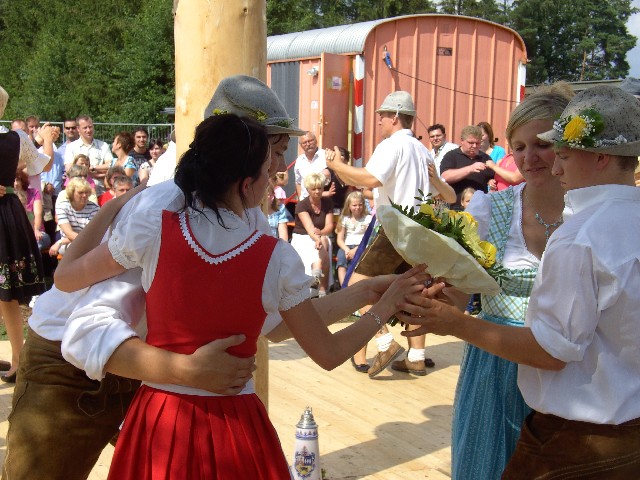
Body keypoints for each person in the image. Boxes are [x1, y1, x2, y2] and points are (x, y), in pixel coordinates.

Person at [54, 113, 428, 479]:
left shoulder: (154, 229)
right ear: (246, 184)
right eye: (267, 170)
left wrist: (114, 207)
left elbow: (66, 277)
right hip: (232, 423)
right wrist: (382, 309)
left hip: (159, 417)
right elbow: (327, 353)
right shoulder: (275, 258)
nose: (272, 178)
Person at [398, 84, 640, 479]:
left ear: (592, 154)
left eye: (549, 146)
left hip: (573, 401)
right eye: (519, 147)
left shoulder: (581, 233)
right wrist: (434, 300)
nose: (534, 159)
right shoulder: (490, 208)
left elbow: (553, 350)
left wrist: (457, 324)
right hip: (499, 372)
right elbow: (460, 291)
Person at [326, 90, 432, 377]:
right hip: (420, 227)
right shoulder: (422, 150)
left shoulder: (391, 145)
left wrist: (337, 165)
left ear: (395, 117)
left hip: (394, 225)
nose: (380, 120)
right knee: (413, 291)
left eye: (383, 115)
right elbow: (436, 191)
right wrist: (341, 170)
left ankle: (385, 343)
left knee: (358, 287)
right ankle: (417, 357)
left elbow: (371, 179)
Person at [0, 85, 53, 382]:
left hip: (5, 215)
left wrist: (47, 142)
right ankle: (17, 358)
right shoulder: (17, 138)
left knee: (5, 291)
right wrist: (46, 141)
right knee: (4, 292)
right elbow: (41, 163)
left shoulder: (16, 138)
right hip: (7, 212)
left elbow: (40, 165)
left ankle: (19, 359)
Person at [291, 172, 335, 297]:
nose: (317, 191)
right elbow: (309, 228)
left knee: (324, 241)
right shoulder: (301, 205)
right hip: (302, 236)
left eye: (320, 188)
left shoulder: (327, 202)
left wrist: (320, 234)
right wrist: (317, 238)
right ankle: (322, 289)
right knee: (322, 244)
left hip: (320, 234)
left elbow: (329, 226)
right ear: (308, 189)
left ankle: (316, 272)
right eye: (314, 189)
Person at [441, 125, 496, 209]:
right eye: (471, 143)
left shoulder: (485, 158)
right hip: (455, 209)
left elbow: (493, 179)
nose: (474, 146)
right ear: (462, 141)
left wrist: (491, 182)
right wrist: (470, 168)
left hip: (479, 209)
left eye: (477, 143)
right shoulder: (451, 156)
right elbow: (445, 177)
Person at [63, 115, 114, 195]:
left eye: (90, 127)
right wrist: (100, 173)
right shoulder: (71, 147)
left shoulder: (104, 146)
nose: (88, 130)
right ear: (78, 129)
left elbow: (111, 166)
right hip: (79, 193)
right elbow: (70, 170)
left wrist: (93, 168)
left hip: (101, 192)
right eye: (85, 128)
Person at [50, 177, 99, 257]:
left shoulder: (94, 208)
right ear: (72, 193)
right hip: (69, 244)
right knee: (76, 249)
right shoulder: (62, 207)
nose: (84, 195)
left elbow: (90, 234)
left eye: (86, 192)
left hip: (87, 243)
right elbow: (69, 233)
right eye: (80, 192)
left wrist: (60, 242)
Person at [335, 190, 372, 289]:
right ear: (349, 206)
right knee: (341, 260)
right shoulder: (344, 219)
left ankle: (356, 287)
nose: (357, 208)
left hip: (361, 245)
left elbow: (368, 237)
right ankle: (344, 288)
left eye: (360, 205)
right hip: (347, 246)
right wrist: (347, 250)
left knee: (359, 262)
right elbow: (339, 239)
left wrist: (356, 249)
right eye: (354, 205)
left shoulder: (368, 219)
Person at [13, 169, 51, 251]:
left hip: (38, 233)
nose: (16, 183)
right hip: (20, 235)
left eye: (18, 180)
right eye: (13, 180)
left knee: (38, 242)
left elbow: (38, 214)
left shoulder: (34, 192)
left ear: (22, 181)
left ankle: (33, 258)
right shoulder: (9, 197)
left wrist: (36, 229)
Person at [294, 131, 332, 200]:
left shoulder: (326, 156)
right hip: (305, 201)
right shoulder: (299, 161)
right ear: (301, 145)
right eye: (304, 142)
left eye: (310, 141)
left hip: (323, 200)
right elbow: (298, 182)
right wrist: (300, 199)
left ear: (316, 141)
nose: (308, 144)